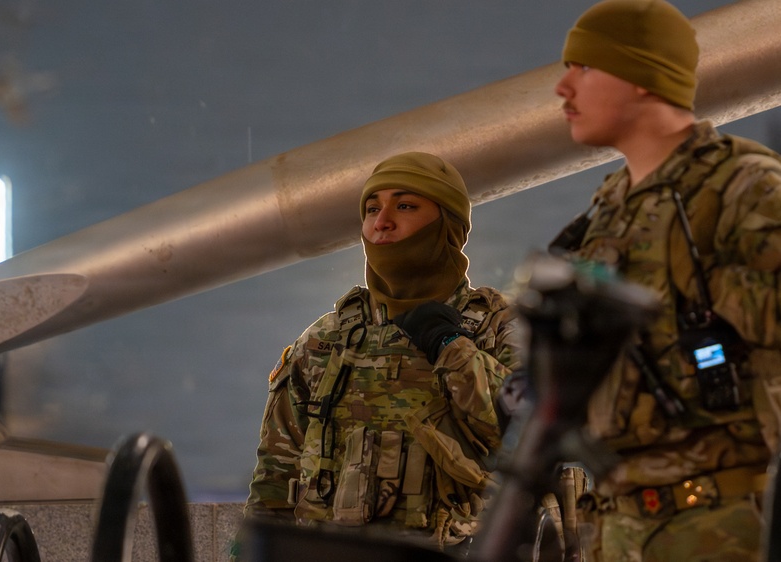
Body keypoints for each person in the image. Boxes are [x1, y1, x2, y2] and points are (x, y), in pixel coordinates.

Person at [550, 1, 781, 560]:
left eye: (583, 67)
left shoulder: (744, 185)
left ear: (641, 78)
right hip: (617, 526)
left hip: (722, 529)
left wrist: (703, 283)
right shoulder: (607, 207)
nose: (563, 87)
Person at [243, 151, 523, 553]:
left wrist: (448, 344)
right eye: (372, 208)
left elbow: (527, 437)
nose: (382, 221)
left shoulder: (500, 327)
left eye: (405, 206)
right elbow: (274, 478)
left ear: (448, 224)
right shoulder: (327, 339)